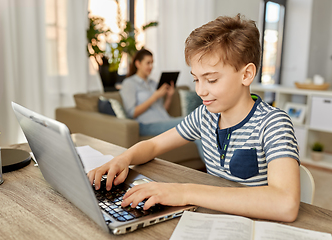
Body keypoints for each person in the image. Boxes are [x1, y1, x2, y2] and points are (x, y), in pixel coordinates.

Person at [88, 14, 300, 222]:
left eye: (211, 80)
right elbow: (152, 146)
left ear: (246, 75)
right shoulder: (204, 116)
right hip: (216, 220)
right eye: (196, 79)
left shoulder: (273, 123)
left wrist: (185, 192)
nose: (200, 91)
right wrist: (123, 159)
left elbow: (285, 204)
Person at [119, 49, 183, 136]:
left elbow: (161, 110)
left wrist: (169, 96)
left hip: (165, 120)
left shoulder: (153, 83)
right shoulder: (129, 83)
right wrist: (154, 97)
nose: (151, 66)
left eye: (152, 63)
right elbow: (131, 113)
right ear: (138, 64)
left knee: (196, 128)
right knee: (191, 121)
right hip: (146, 125)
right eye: (148, 63)